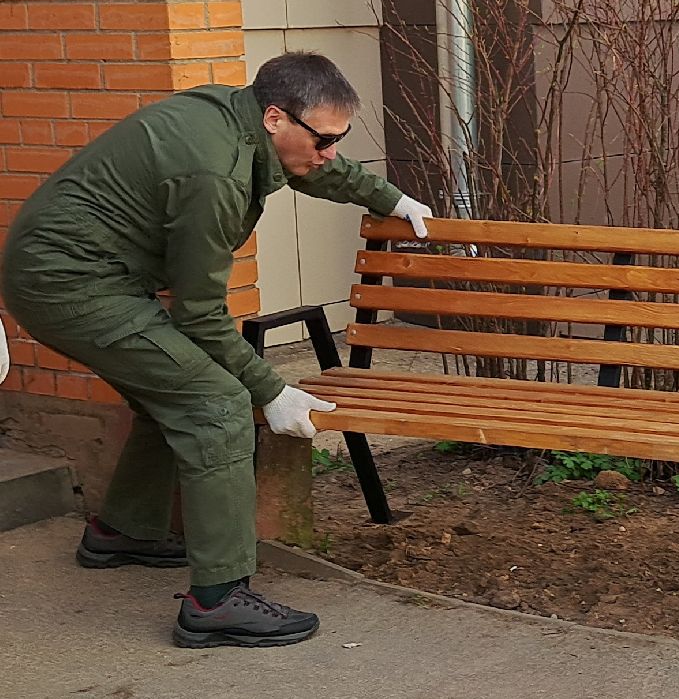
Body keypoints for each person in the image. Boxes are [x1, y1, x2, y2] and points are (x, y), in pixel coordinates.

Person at [0, 52, 434, 649]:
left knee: (170, 393)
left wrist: (386, 197)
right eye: (326, 137)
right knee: (217, 406)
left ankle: (124, 531)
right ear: (276, 116)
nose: (332, 151)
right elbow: (199, 314)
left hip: (82, 274)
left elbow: (313, 165)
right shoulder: (214, 173)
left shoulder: (241, 116)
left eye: (340, 138)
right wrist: (272, 388)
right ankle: (217, 601)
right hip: (68, 285)